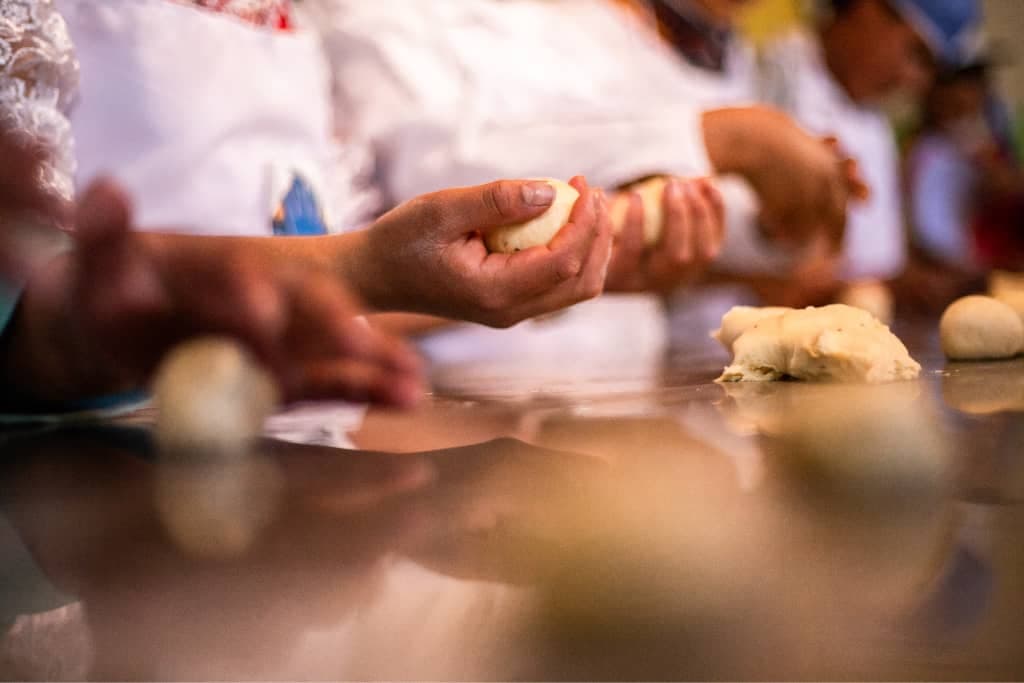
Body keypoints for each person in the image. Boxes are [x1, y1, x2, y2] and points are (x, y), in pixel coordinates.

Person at [0, 1, 614, 414]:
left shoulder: (302, 20)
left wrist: (398, 284)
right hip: (93, 477)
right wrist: (365, 269)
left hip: (295, 457)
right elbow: (31, 296)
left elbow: (315, 246)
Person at [320, 0, 863, 369]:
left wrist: (783, 217)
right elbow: (433, 169)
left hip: (625, 397)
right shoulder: (375, 12)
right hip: (455, 409)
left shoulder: (603, 21)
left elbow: (646, 196)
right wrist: (726, 141)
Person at [755, 0, 981, 307]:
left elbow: (878, 261)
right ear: (867, 8)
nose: (916, 81)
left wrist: (922, 282)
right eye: (916, 53)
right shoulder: (769, 82)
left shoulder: (875, 123)